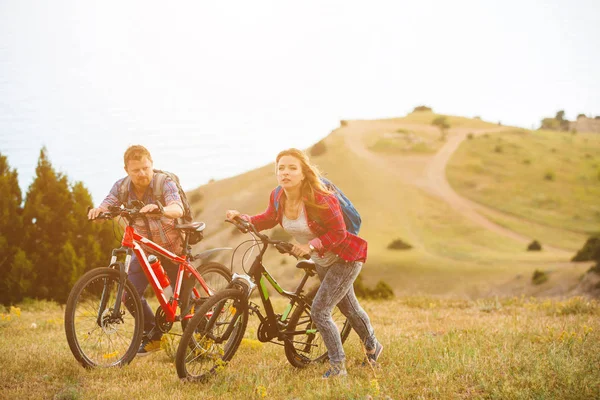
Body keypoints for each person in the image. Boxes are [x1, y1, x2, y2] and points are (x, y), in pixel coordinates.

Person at [226, 148, 382, 378]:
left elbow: (339, 233)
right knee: (349, 308)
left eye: (292, 168)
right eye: (281, 168)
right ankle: (373, 345)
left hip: (345, 257)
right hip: (322, 259)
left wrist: (310, 246)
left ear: (303, 173)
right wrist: (245, 219)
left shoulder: (321, 198)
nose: (285, 173)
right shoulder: (278, 196)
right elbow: (269, 218)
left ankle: (338, 367)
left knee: (320, 311)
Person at [88, 145, 184, 356]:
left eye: (145, 168)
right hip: (145, 250)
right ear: (126, 170)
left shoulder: (163, 183)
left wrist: (162, 209)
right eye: (136, 170)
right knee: (128, 295)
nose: (142, 174)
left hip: (172, 248)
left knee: (185, 303)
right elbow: (108, 204)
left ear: (152, 164)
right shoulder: (122, 187)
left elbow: (178, 208)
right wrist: (98, 211)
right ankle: (154, 335)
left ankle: (197, 339)